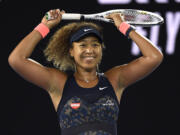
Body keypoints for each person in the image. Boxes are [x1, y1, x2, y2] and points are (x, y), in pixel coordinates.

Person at [8, 9, 163, 135]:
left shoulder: (115, 80)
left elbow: (154, 56)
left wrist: (124, 27)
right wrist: (44, 27)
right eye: (82, 45)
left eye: (95, 45)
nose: (89, 50)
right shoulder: (59, 84)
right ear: (71, 51)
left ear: (101, 50)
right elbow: (17, 59)